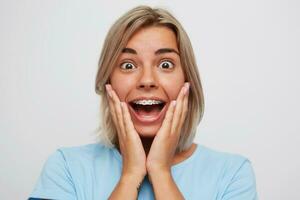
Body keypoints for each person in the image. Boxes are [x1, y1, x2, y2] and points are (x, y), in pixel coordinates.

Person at [28, 5, 258, 200]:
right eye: (128, 65)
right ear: (108, 82)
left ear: (187, 82)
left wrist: (161, 172)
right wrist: (130, 175)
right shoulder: (65, 167)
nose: (147, 80)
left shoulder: (233, 174)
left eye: (166, 64)